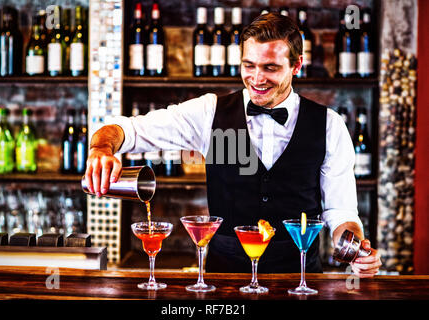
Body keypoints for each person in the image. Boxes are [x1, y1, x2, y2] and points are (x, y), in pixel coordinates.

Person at [85, 12, 381, 277]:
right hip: (224, 279)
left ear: (297, 66)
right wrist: (102, 148)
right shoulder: (209, 112)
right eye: (248, 65)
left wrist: (354, 247)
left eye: (270, 68)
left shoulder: (329, 124)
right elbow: (127, 130)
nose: (256, 78)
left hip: (299, 279)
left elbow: (340, 212)